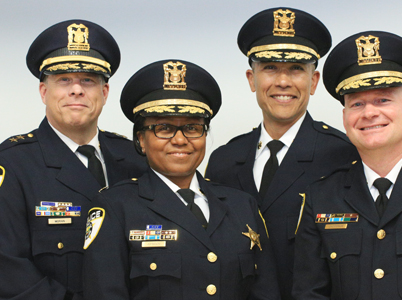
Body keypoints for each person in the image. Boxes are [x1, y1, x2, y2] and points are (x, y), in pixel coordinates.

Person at [82, 59, 281, 300]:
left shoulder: (242, 205)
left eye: (192, 127)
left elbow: (266, 292)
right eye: (164, 128)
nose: (180, 139)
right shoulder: (115, 207)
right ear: (141, 140)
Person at [205, 7, 358, 299]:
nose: (283, 81)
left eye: (297, 69)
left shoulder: (343, 155)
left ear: (314, 82)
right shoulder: (224, 160)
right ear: (252, 79)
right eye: (270, 67)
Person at [292, 31, 402, 299]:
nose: (369, 113)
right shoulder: (321, 197)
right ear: (345, 118)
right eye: (357, 103)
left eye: (383, 99)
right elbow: (309, 293)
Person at [0, 20, 146, 300]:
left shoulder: (135, 159)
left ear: (104, 93)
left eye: (88, 80)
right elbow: (8, 272)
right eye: (64, 79)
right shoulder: (13, 165)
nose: (76, 90)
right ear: (44, 92)